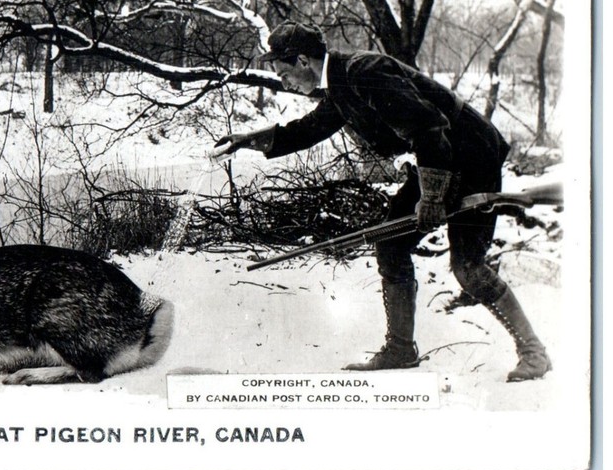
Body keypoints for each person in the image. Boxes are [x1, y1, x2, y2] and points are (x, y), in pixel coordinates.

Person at [215, 22, 551, 381]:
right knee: (390, 244)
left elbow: (429, 128)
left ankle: (534, 352)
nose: (285, 84)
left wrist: (432, 198)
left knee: (467, 266)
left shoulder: (366, 72)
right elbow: (308, 130)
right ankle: (400, 350)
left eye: (284, 74)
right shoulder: (340, 85)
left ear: (302, 61)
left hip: (471, 156)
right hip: (438, 157)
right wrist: (249, 139)